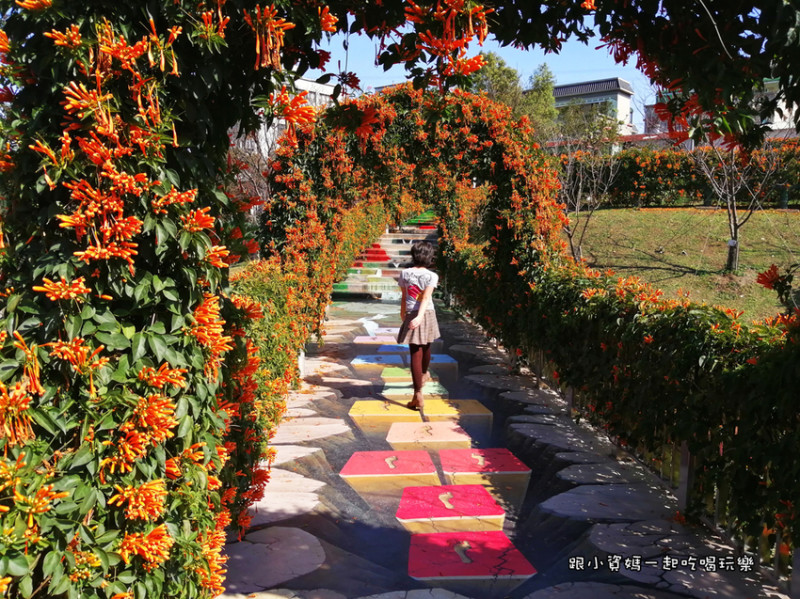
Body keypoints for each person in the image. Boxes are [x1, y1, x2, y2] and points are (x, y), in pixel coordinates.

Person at [396, 240, 441, 411]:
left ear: (414, 256)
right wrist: (421, 316)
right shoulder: (432, 276)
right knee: (426, 346)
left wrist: (404, 314)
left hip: (413, 313)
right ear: (429, 257)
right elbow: (427, 298)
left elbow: (404, 296)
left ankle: (417, 393)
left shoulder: (404, 274)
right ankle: (423, 376)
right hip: (427, 313)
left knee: (415, 351)